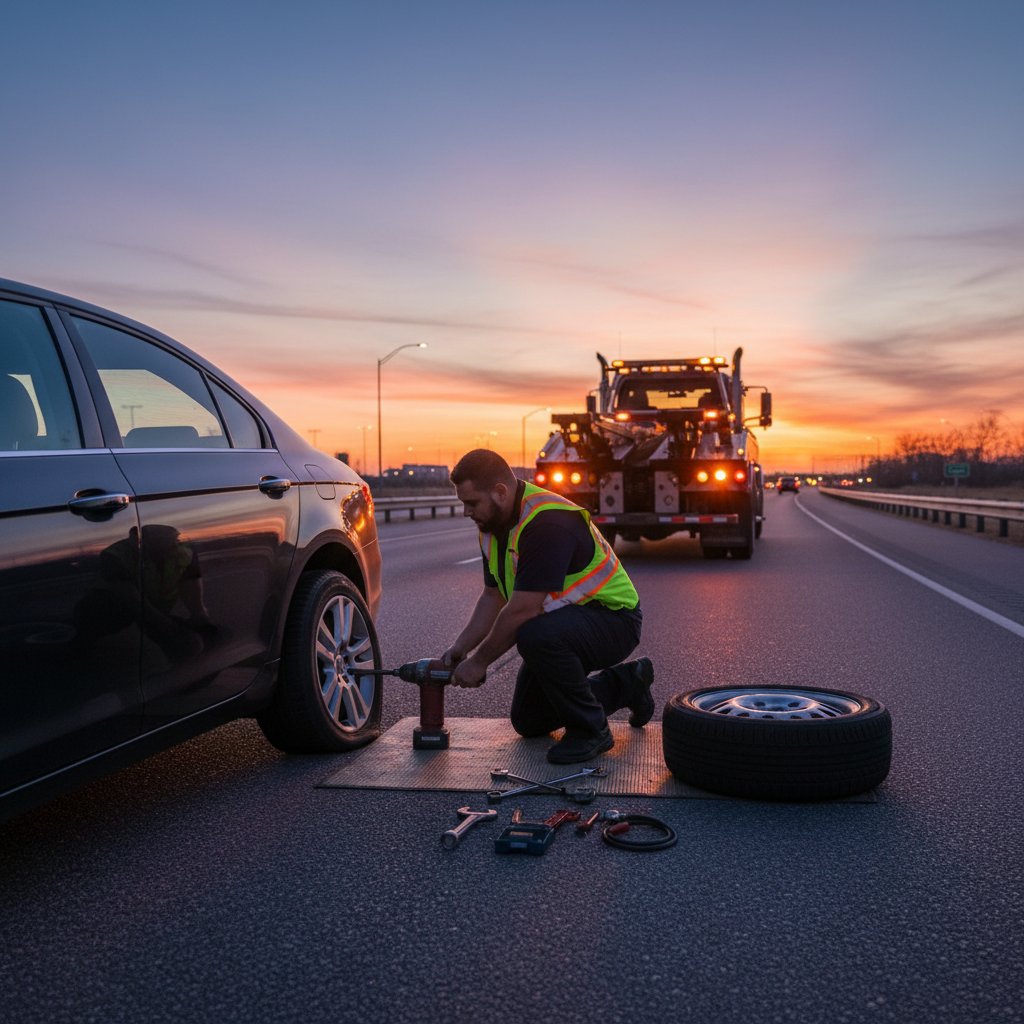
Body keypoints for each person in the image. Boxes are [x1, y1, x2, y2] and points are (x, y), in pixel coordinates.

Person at [442, 449, 654, 764]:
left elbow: (523, 609)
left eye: (471, 503)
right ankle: (627, 684)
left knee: (533, 635)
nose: (466, 512)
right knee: (529, 720)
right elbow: (493, 596)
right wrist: (460, 649)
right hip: (566, 624)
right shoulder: (493, 528)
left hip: (614, 621)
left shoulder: (547, 522)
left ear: (500, 492)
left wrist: (480, 662)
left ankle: (591, 731)